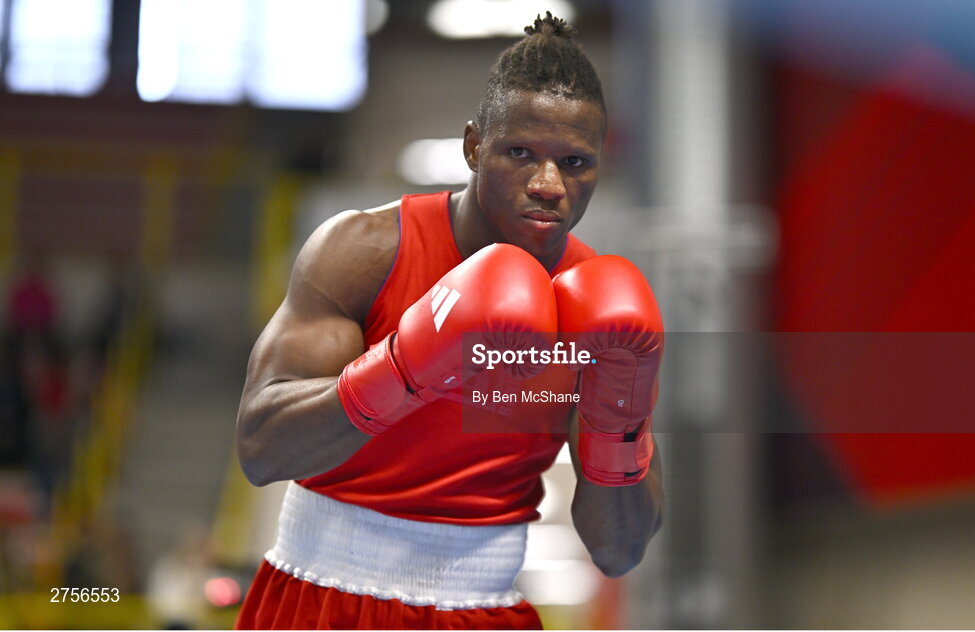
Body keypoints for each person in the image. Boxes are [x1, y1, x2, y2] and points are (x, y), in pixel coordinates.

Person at [235, 13, 664, 630]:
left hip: (485, 606)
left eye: (575, 162)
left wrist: (617, 421)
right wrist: (405, 367)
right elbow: (260, 450)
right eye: (520, 153)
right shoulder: (366, 252)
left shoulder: (595, 310)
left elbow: (619, 551)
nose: (549, 185)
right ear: (473, 147)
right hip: (322, 596)